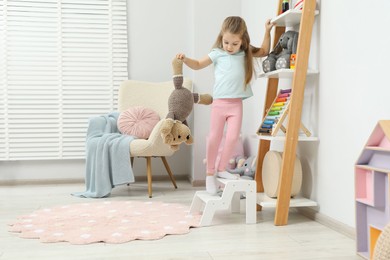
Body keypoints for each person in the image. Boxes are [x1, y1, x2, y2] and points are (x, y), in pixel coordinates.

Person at [176, 16, 274, 195]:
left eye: (234, 43)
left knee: (232, 137)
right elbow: (198, 64)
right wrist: (185, 59)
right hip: (220, 104)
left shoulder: (246, 52)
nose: (229, 46)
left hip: (236, 104)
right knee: (214, 138)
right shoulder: (217, 53)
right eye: (226, 41)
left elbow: (265, 50)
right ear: (221, 37)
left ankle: (221, 168)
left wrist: (267, 31)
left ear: (242, 41)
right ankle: (209, 174)